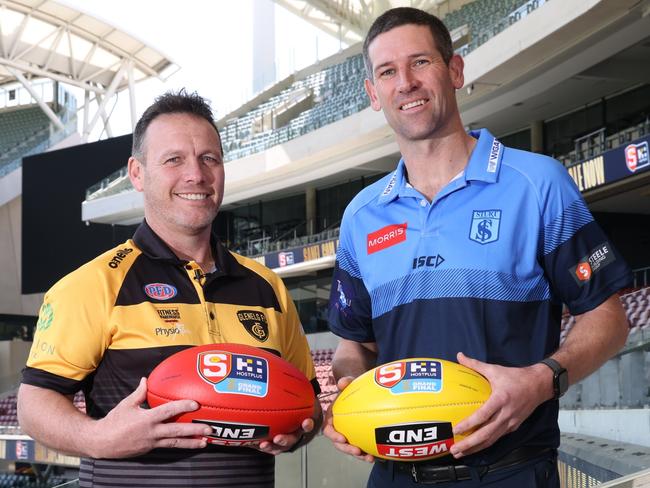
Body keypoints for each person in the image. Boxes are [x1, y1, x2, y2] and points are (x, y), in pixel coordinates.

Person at [324, 7, 631, 488]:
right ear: (373, 94)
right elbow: (354, 345)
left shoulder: (536, 183)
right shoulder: (361, 216)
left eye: (420, 62)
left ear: (455, 70)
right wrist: (346, 394)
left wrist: (541, 380)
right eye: (387, 71)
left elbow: (609, 319)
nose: (405, 82)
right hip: (395, 475)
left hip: (511, 470)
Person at [18, 90, 322, 488]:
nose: (196, 175)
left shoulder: (268, 288)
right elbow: (34, 404)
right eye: (174, 159)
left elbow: (309, 402)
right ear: (138, 173)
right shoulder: (93, 284)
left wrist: (299, 430)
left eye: (209, 158)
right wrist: (97, 437)